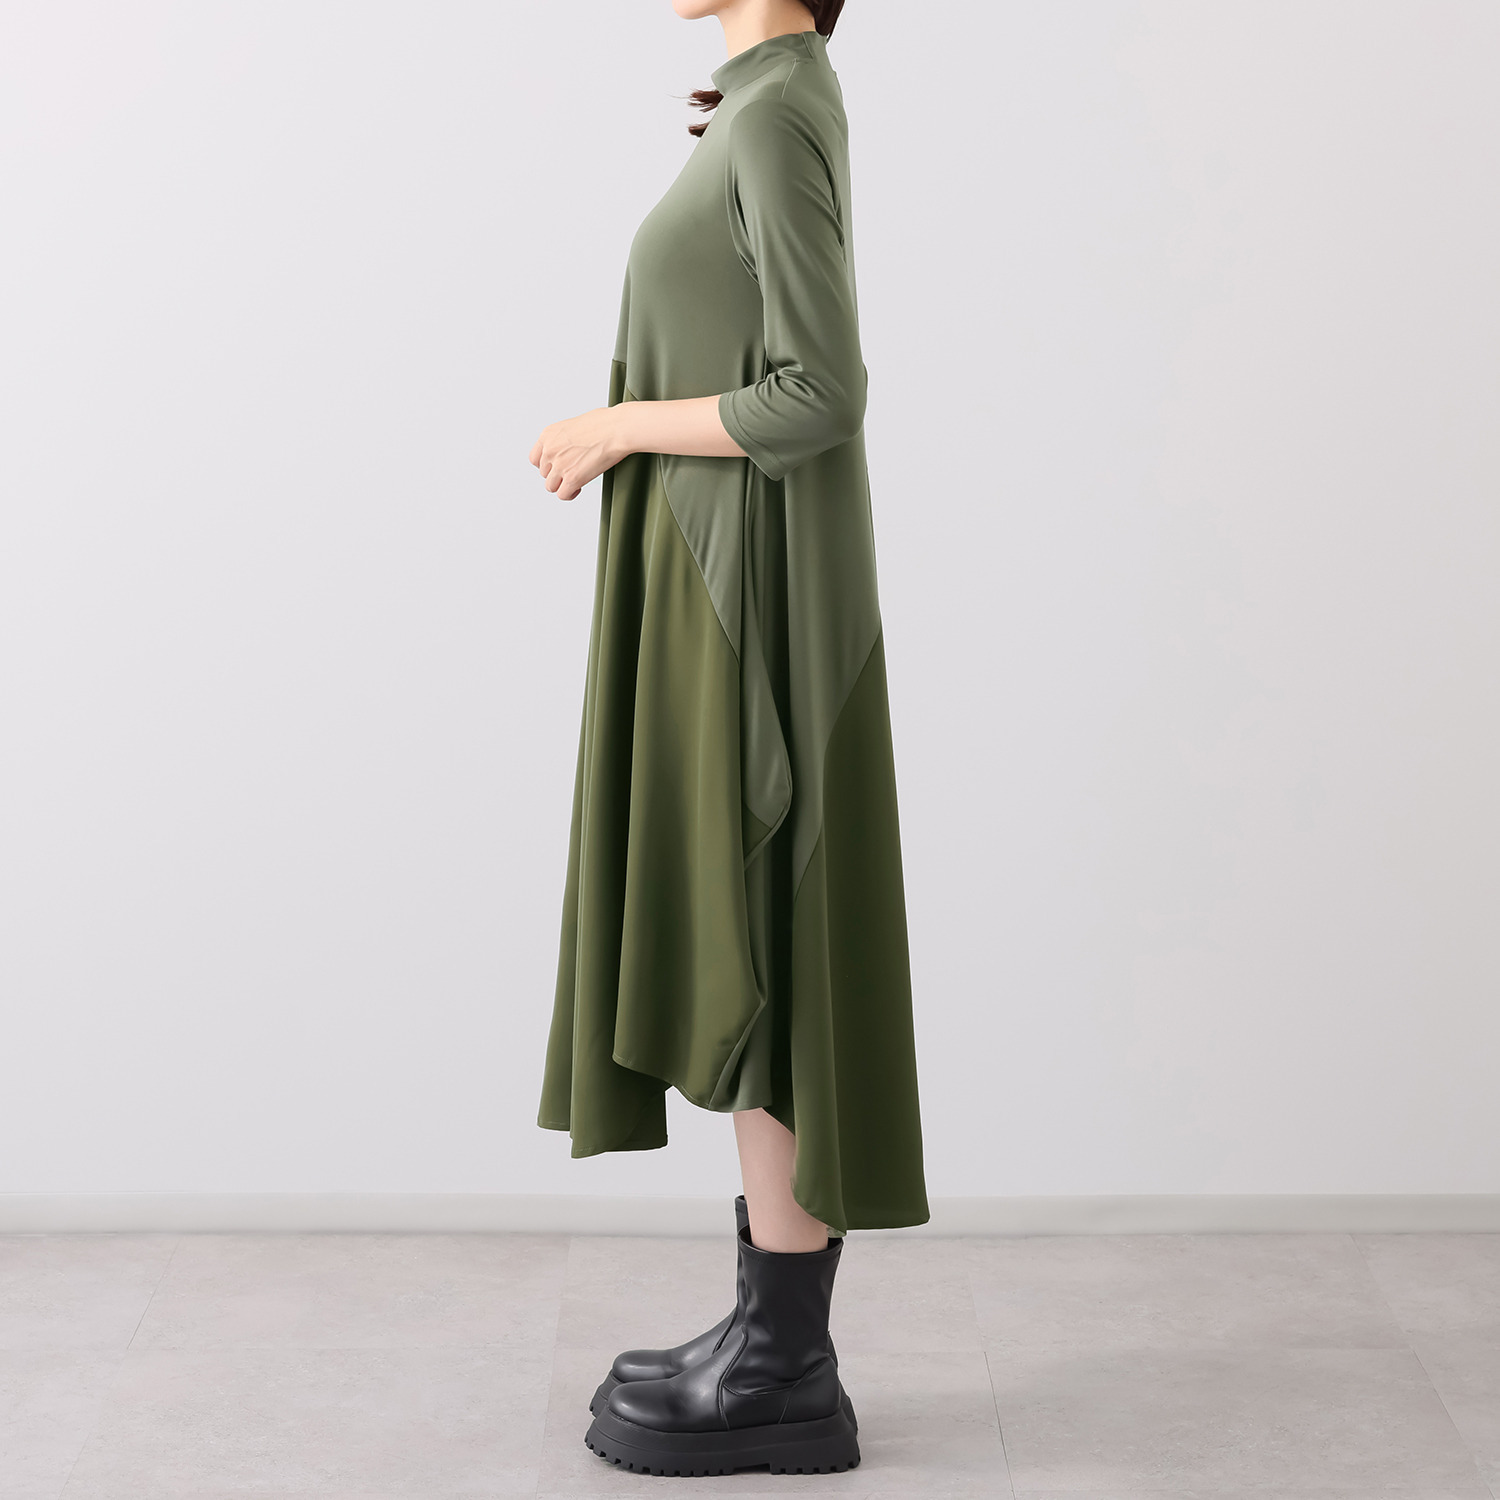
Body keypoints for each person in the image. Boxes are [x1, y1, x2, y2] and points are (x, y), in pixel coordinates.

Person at [529, 0, 928, 1476]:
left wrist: (619, 425)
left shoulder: (776, 114)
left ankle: (785, 1364)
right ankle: (775, 1334)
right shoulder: (764, 99)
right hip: (720, 573)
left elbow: (820, 391)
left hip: (744, 596)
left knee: (761, 931)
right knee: (750, 932)